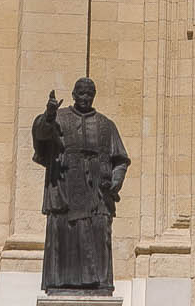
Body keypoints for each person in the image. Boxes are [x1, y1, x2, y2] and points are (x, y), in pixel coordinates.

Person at [30, 78, 129, 294]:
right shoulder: (59, 119)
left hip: (97, 194)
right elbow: (40, 134)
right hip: (66, 190)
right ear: (73, 95)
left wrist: (115, 181)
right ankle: (61, 283)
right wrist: (48, 115)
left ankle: (97, 284)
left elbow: (120, 160)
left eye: (89, 94)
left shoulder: (106, 125)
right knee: (64, 237)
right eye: (81, 94)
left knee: (98, 236)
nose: (85, 98)